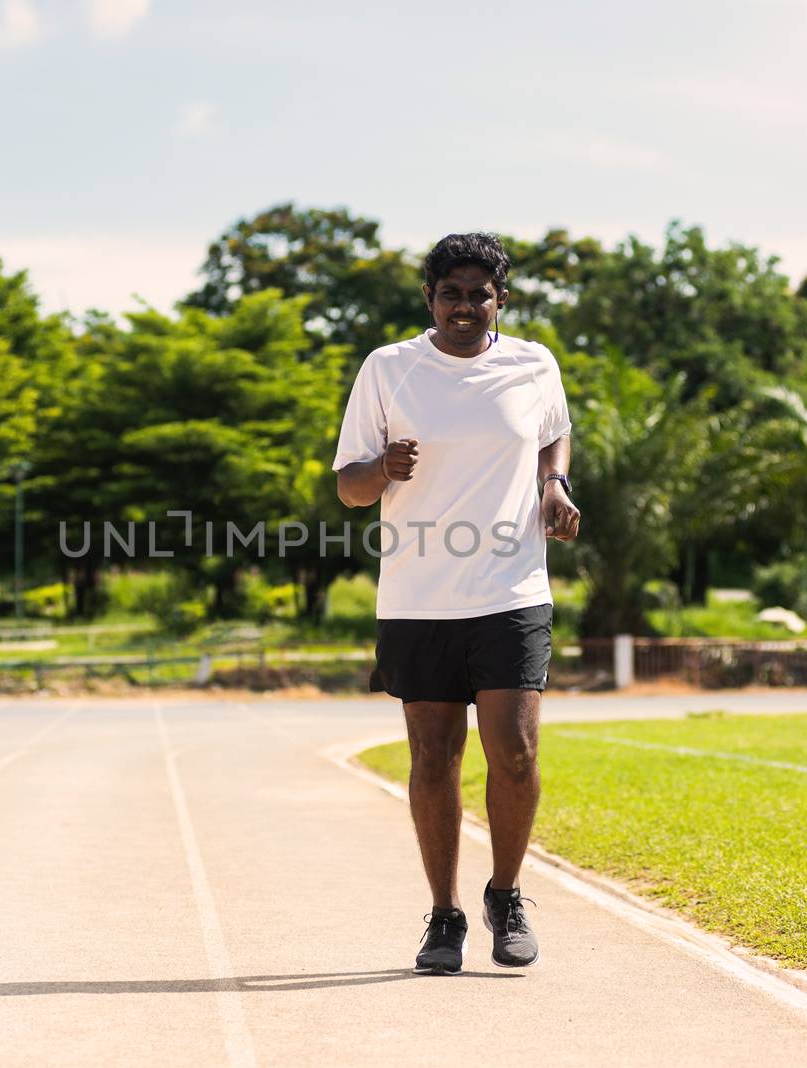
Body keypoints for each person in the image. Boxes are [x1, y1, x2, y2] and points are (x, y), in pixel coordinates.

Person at [332, 232, 579, 975]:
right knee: (433, 759)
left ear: (501, 300)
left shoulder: (533, 364)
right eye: (451, 293)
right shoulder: (389, 369)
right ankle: (445, 916)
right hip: (418, 596)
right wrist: (383, 467)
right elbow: (348, 487)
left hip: (510, 590)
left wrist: (556, 485)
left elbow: (554, 436)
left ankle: (506, 895)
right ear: (430, 299)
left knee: (515, 751)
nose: (465, 306)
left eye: (480, 293)